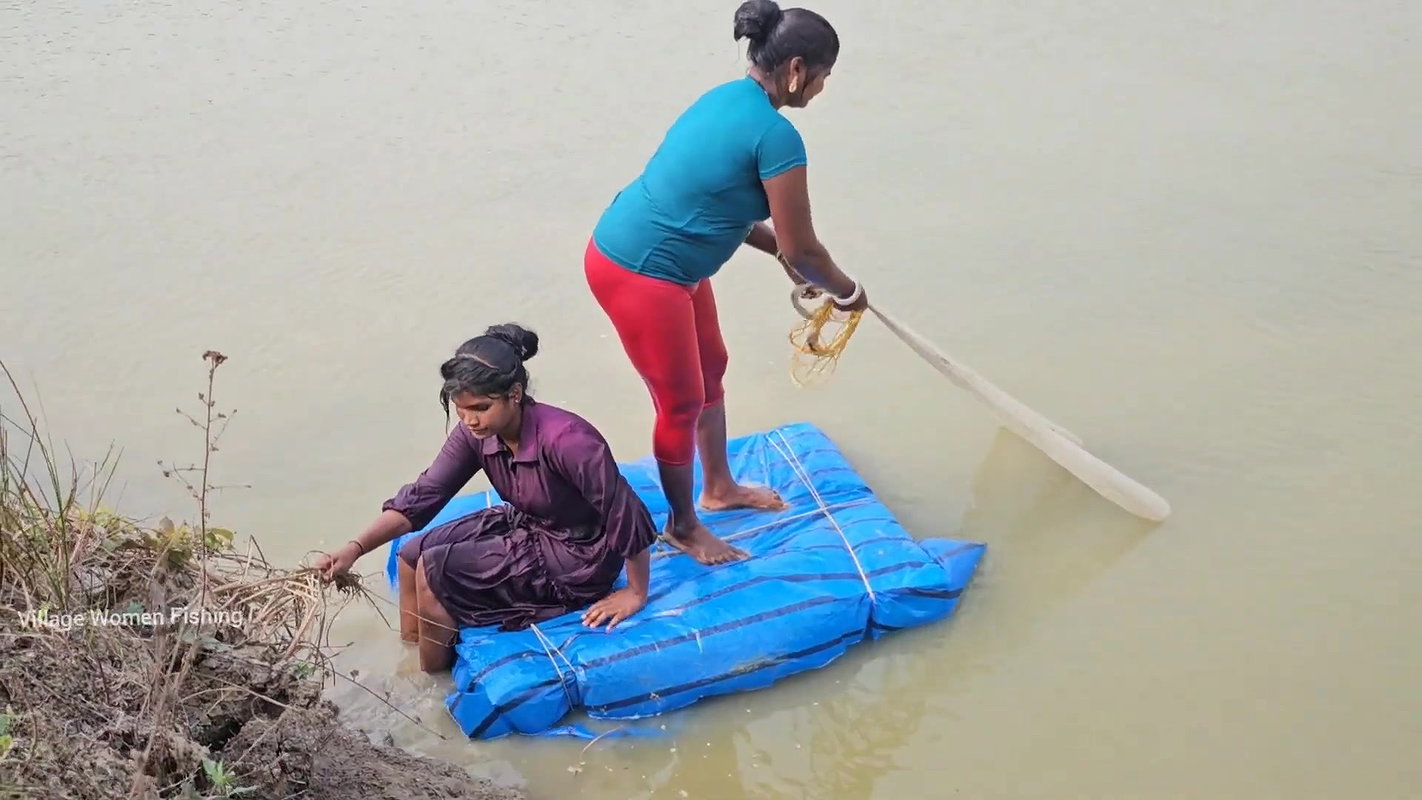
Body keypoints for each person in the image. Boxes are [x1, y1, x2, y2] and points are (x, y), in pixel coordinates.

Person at [584, 0, 869, 566]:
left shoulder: (723, 99)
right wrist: (847, 292)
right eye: (823, 76)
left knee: (711, 366)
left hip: (667, 262)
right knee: (680, 400)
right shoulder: (777, 135)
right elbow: (805, 249)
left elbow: (718, 205)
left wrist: (780, 255)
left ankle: (718, 487)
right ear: (796, 69)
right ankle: (684, 527)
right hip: (640, 270)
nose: (821, 89)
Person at [313, 324, 658, 673]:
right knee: (410, 555)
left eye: (480, 408)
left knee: (434, 573)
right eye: (461, 410)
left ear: (515, 394)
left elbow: (624, 509)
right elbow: (425, 495)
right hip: (529, 523)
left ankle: (433, 681)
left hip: (578, 554)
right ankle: (411, 660)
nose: (470, 420)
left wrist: (636, 592)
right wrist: (355, 548)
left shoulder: (568, 440)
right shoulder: (474, 433)